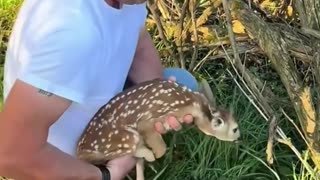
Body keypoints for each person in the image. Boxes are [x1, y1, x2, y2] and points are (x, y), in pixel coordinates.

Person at [0, 0, 198, 179]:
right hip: (59, 159)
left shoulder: (128, 3)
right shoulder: (74, 32)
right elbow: (9, 155)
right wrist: (107, 174)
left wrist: (159, 99)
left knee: (183, 83)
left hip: (96, 114)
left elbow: (137, 40)